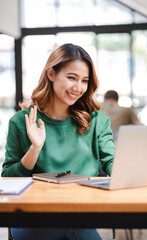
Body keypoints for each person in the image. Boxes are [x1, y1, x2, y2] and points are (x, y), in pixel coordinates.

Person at [1, 43, 115, 240]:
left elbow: (113, 164)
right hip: (34, 216)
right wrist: (35, 149)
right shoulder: (21, 122)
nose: (78, 88)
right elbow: (8, 178)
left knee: (77, 226)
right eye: (71, 77)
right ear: (51, 74)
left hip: (81, 215)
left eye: (84, 81)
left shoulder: (97, 121)